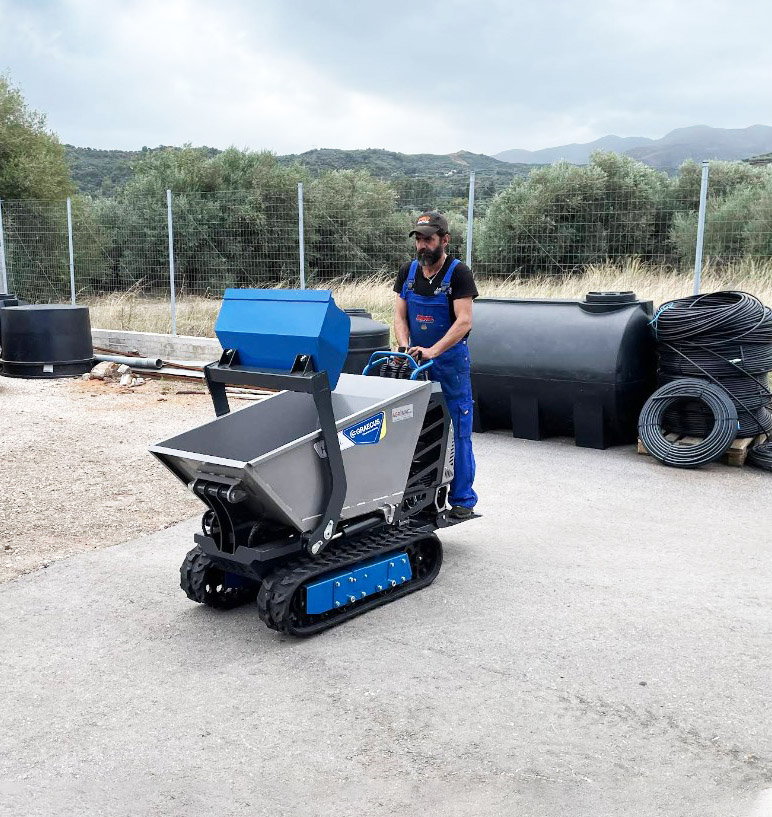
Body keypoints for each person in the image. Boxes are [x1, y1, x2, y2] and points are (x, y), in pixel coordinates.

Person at [393, 211, 478, 519]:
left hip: (450, 362)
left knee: (457, 428)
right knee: (414, 428)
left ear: (445, 240)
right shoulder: (408, 272)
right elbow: (400, 316)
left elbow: (464, 322)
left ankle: (463, 500)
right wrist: (405, 347)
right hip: (416, 361)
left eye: (428, 239)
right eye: (418, 239)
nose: (422, 245)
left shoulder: (458, 273)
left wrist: (434, 350)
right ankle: (420, 495)